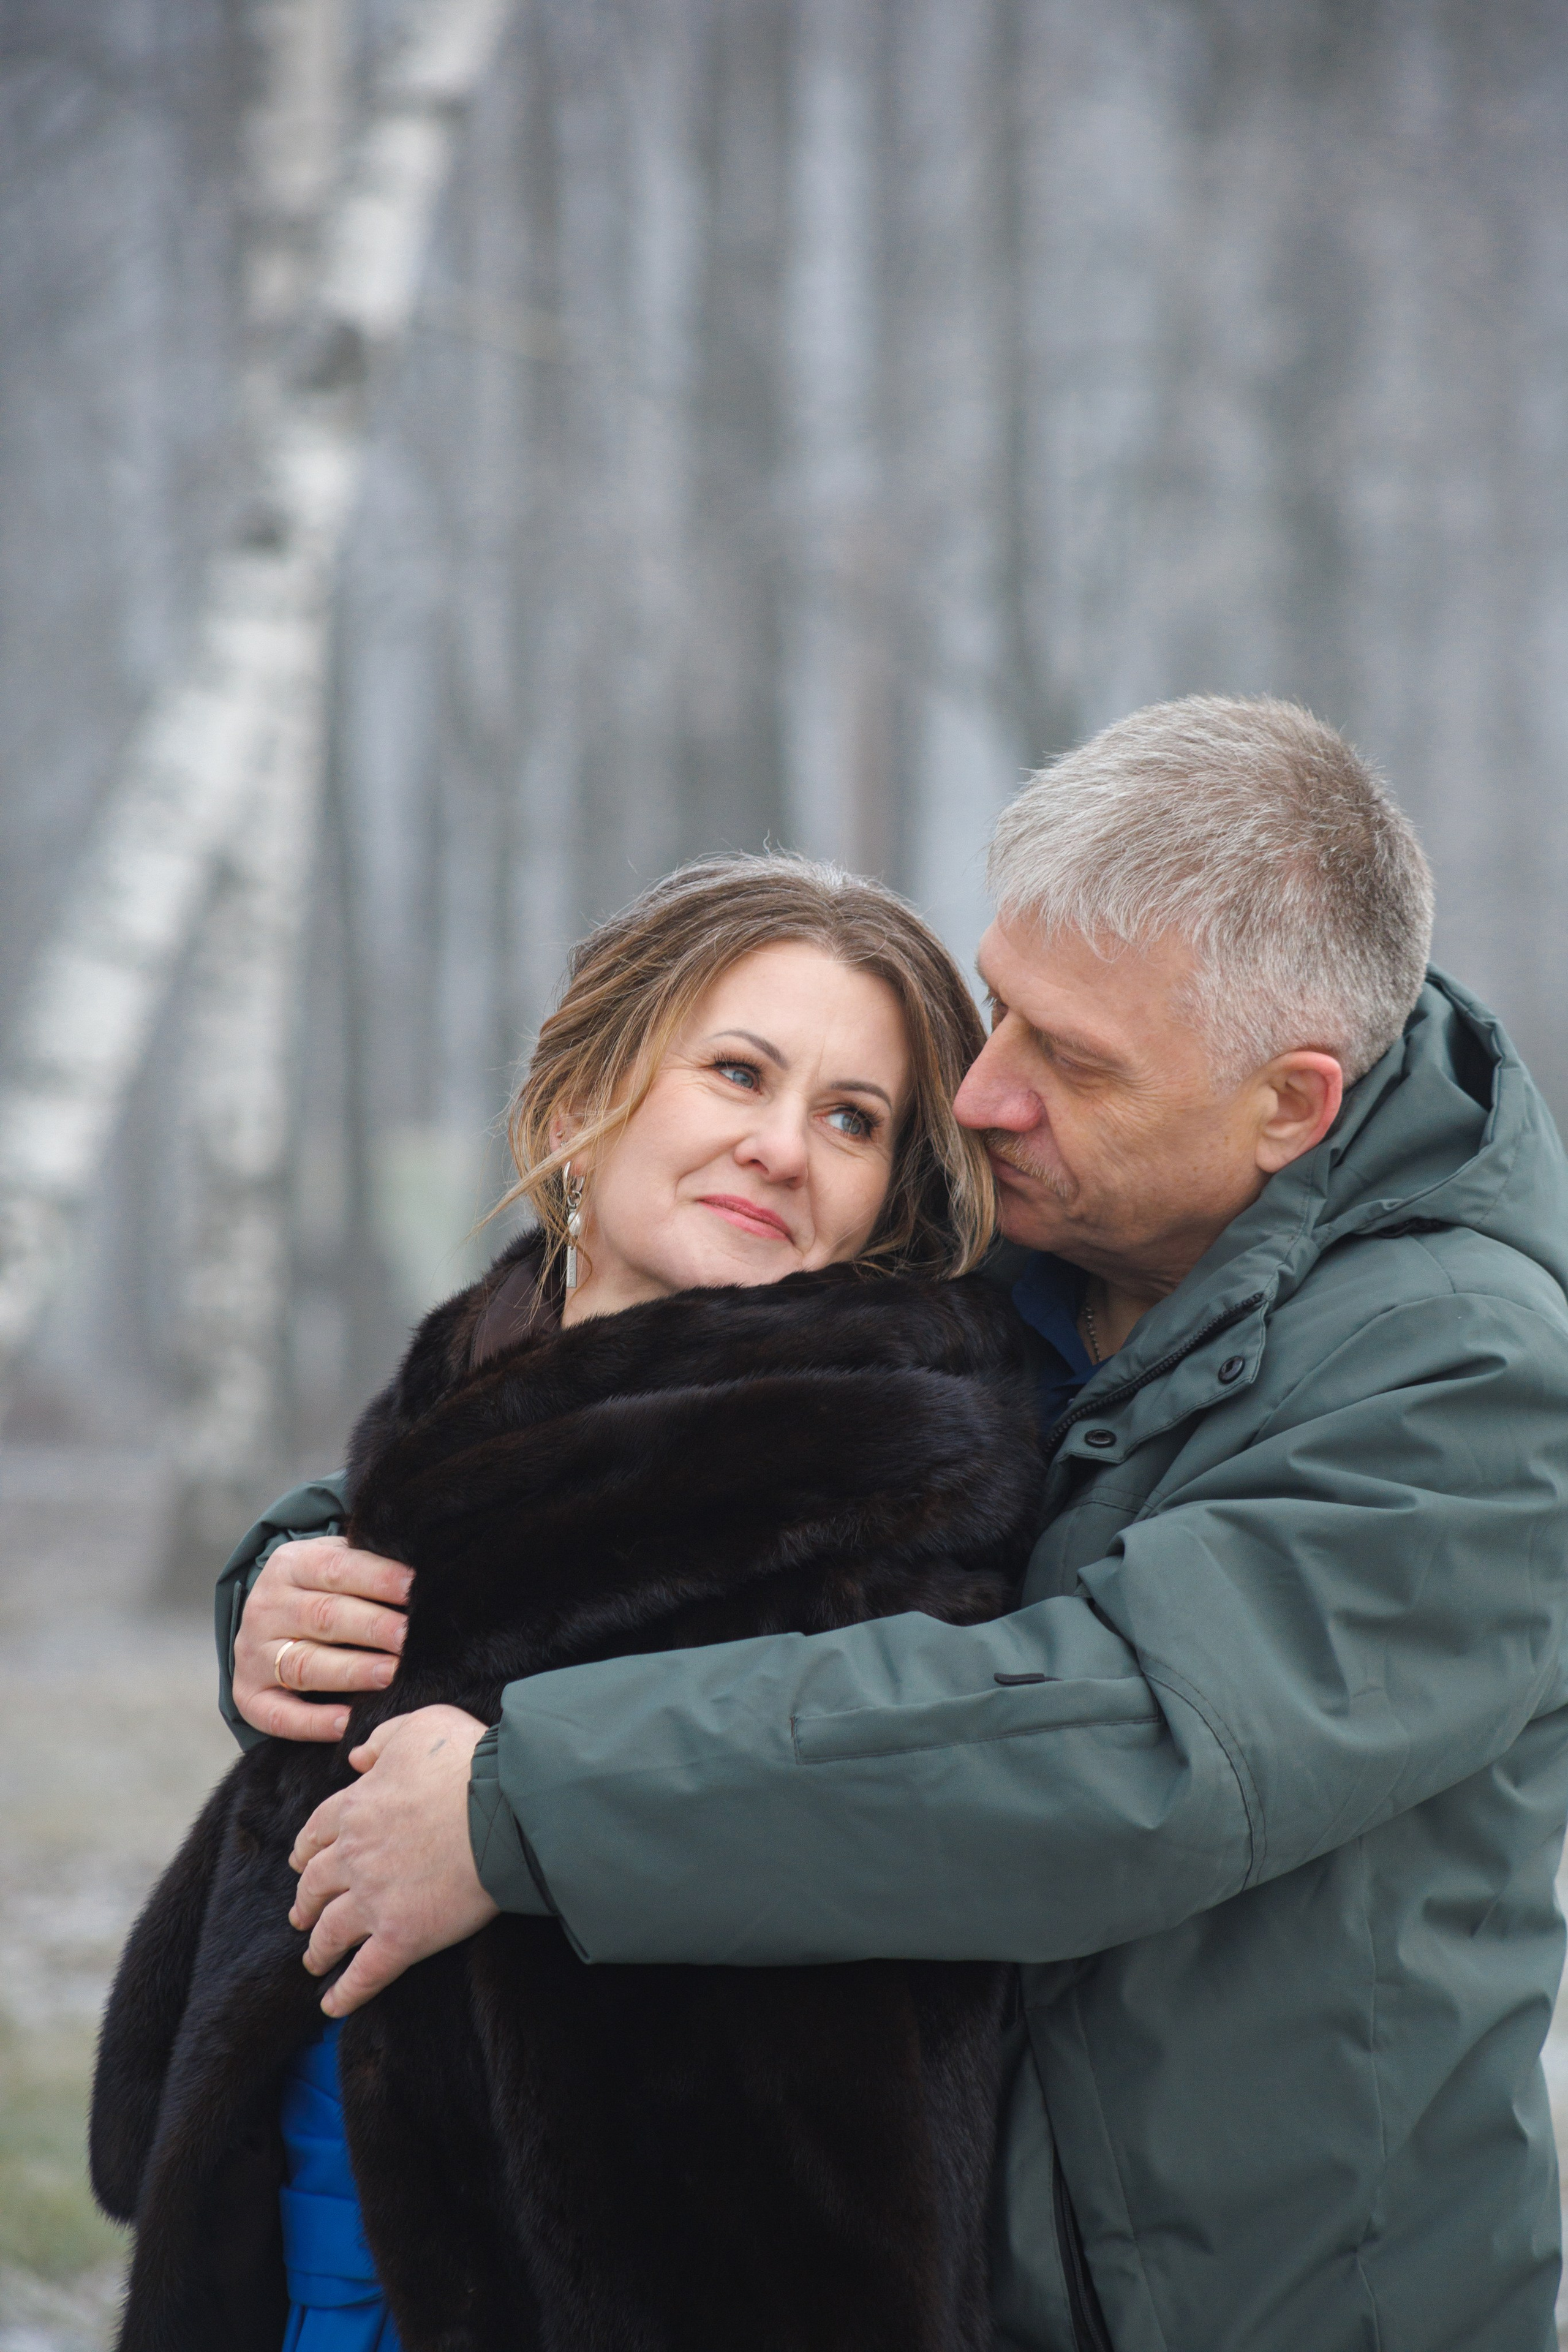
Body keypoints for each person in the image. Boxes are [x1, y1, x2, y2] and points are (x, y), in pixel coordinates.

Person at [209, 694, 1568, 2351]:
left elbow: (1136, 1746)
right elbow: (628, 1441)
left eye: (1069, 1058)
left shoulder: (1468, 1378)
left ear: (1288, 1104)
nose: (982, 1094)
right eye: (1000, 1009)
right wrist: (294, 1571)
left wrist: (527, 1801)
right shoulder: (1031, 1232)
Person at [91, 857, 1047, 2352]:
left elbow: (910, 1858)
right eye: (738, 1072)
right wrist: (274, 1594)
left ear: (885, 1202)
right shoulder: (465, 1404)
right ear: (574, 1105)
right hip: (308, 2251)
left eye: (851, 1119)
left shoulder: (891, 1494)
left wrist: (526, 1821)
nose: (780, 1147)